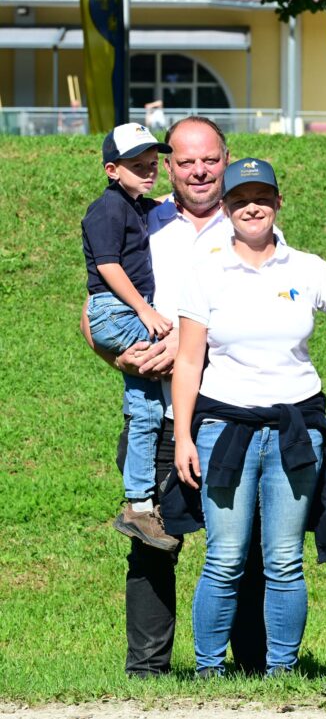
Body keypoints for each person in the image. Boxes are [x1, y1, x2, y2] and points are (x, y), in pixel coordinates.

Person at [171, 158, 326, 677]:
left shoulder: (305, 269)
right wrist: (182, 437)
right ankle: (206, 674)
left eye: (261, 197)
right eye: (240, 200)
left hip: (294, 434)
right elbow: (190, 359)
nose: (252, 208)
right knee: (224, 560)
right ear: (225, 208)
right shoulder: (206, 271)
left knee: (285, 562)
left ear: (278, 202)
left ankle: (282, 673)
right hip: (224, 432)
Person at [82, 115, 267, 676]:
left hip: (231, 410)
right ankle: (147, 672)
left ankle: (252, 665)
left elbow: (267, 319)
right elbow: (93, 315)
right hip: (159, 414)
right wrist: (123, 354)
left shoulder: (252, 227)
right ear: (168, 166)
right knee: (151, 544)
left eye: (210, 159)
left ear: (226, 157)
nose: (199, 171)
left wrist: (190, 351)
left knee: (245, 545)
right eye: (186, 161)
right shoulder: (144, 219)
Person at [82, 122, 178, 551]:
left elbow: (159, 204)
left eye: (152, 164)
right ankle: (139, 503)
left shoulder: (134, 205)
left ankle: (139, 504)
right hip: (116, 310)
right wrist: (145, 310)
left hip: (125, 310)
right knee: (177, 357)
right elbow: (108, 267)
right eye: (136, 166)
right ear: (111, 170)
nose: (148, 171)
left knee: (146, 409)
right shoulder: (107, 209)